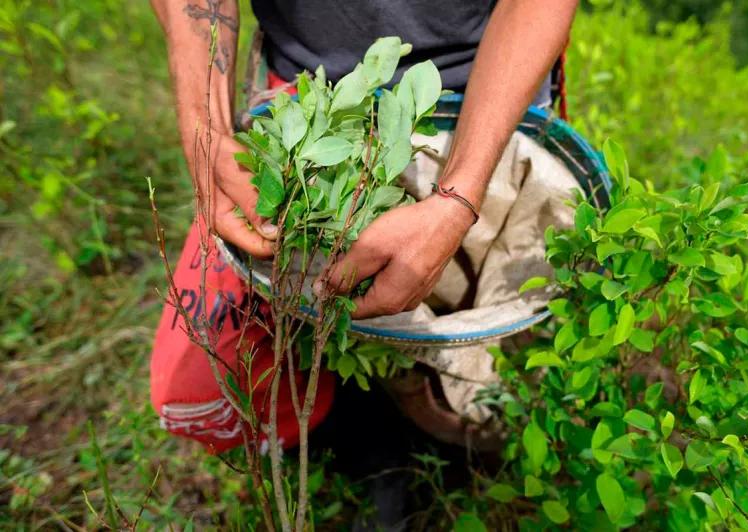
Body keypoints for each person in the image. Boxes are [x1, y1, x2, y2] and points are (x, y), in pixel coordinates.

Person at [149, 0, 578, 491]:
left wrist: (459, 197)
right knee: (199, 393)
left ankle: (448, 450)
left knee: (504, 355)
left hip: (488, 90)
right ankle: (367, 445)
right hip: (308, 102)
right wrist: (205, 130)